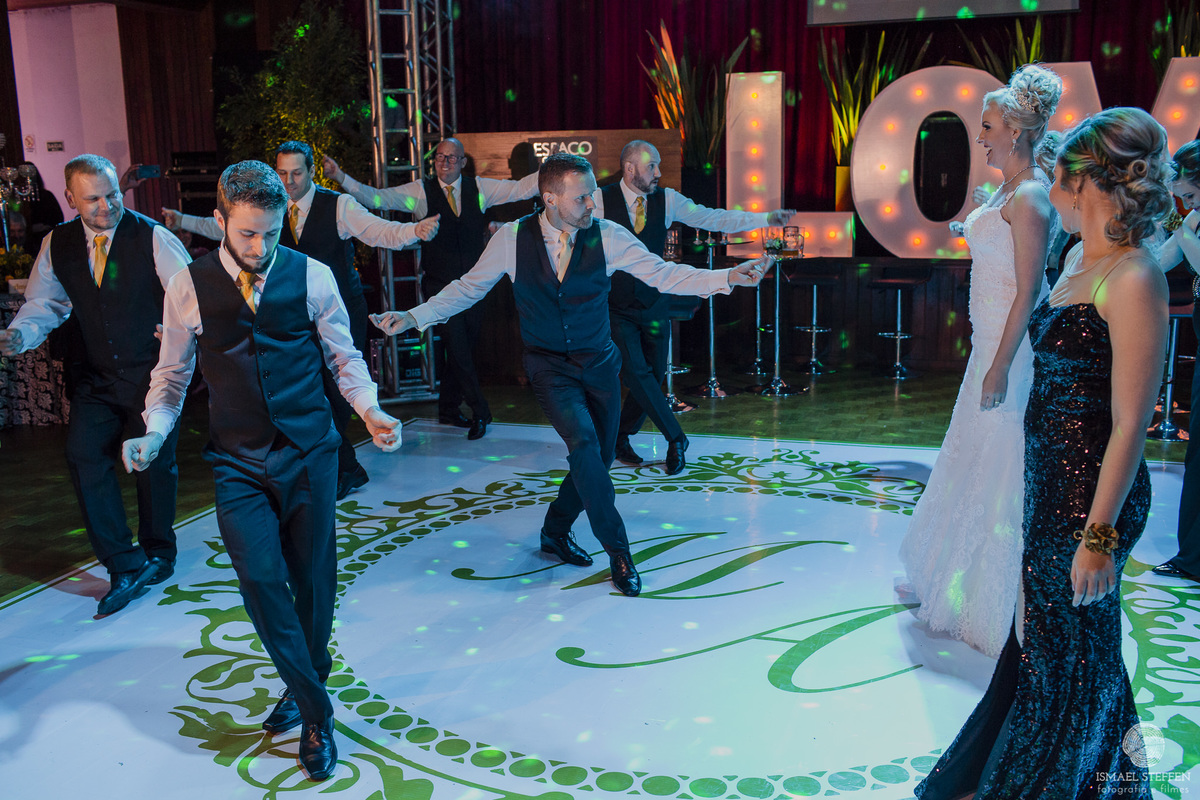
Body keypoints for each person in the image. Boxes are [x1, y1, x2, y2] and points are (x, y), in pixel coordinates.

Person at [370, 153, 769, 597]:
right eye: (581, 199)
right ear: (550, 199)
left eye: (592, 196)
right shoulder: (511, 238)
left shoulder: (608, 235)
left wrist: (727, 277)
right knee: (583, 445)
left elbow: (663, 274)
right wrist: (415, 316)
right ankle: (619, 551)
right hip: (550, 369)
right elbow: (468, 288)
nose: (592, 205)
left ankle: (555, 530)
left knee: (597, 459)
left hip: (600, 365)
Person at [916, 107, 1172, 799]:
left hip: (1094, 499)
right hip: (1051, 482)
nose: (1048, 185)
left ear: (1086, 184)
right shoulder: (1079, 260)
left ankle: (1068, 782)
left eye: (1058, 174)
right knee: (1051, 645)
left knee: (1076, 651)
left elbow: (1129, 426)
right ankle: (1073, 773)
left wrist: (1099, 538)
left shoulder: (1134, 277)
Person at [120, 160, 403, 782]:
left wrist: (370, 411)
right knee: (260, 582)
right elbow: (171, 377)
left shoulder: (313, 275)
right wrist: (154, 433)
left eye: (271, 233)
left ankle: (302, 691)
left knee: (313, 582)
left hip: (310, 452)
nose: (259, 246)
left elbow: (344, 357)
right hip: (237, 459)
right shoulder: (188, 285)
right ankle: (318, 711)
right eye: (247, 233)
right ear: (219, 220)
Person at [163, 141, 437, 500]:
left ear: (311, 172)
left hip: (335, 308)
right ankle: (340, 467)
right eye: (282, 173)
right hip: (278, 310)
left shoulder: (338, 206)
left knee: (333, 389)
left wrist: (413, 232)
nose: (289, 181)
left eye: (296, 173)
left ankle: (335, 466)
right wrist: (181, 220)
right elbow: (224, 228)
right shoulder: (260, 212)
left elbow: (378, 230)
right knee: (303, 387)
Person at [899, 64, 1061, 658]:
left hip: (1008, 351)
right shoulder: (1009, 190)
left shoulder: (1033, 196)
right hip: (987, 343)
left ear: (1016, 131)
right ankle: (954, 576)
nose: (981, 137)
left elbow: (1030, 290)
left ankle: (998, 602)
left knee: (1001, 464)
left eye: (988, 127)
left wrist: (1000, 365)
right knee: (970, 455)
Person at [0, 154, 190, 616]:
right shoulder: (58, 242)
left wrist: (178, 328)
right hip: (95, 375)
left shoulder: (152, 236)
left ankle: (159, 551)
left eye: (112, 195)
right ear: (70, 198)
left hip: (151, 374)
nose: (107, 206)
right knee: (83, 455)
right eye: (93, 199)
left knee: (153, 466)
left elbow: (192, 295)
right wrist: (21, 334)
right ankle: (123, 564)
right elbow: (45, 303)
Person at [595, 140, 794, 474]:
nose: (658, 173)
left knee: (654, 374)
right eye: (652, 166)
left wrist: (765, 218)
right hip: (615, 305)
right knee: (636, 373)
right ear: (629, 168)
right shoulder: (600, 200)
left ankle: (620, 436)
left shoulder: (667, 199)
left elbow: (713, 218)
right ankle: (676, 438)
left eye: (658, 165)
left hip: (655, 301)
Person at [323, 138, 540, 440]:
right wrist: (339, 176)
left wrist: (555, 172)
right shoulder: (420, 192)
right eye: (439, 157)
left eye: (451, 158)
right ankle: (481, 411)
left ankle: (448, 409)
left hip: (474, 286)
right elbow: (376, 199)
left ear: (463, 162)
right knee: (459, 348)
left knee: (462, 351)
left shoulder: (480, 188)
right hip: (439, 285)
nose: (444, 163)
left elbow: (520, 189)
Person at [1154, 139, 1200, 582]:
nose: (1185, 202)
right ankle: (1193, 556)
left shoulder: (1190, 222)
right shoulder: (1193, 219)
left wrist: (1179, 226)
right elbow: (1162, 259)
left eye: (1188, 194)